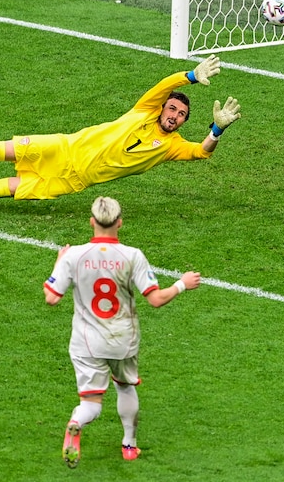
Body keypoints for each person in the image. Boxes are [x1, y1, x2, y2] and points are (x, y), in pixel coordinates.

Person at [0, 54, 241, 206]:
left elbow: (200, 153)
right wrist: (191, 76)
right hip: (62, 148)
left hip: (72, 180)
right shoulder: (144, 110)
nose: (175, 115)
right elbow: (163, 85)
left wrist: (217, 129)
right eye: (173, 109)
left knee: (0, 190)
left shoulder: (171, 146)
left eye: (181, 115)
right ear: (163, 107)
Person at [43, 196, 201, 468]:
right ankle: (129, 445)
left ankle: (76, 421)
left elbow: (51, 297)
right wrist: (182, 284)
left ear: (92, 221)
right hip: (122, 340)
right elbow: (156, 299)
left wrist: (59, 263)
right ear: (120, 223)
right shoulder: (132, 256)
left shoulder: (73, 255)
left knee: (91, 402)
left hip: (85, 342)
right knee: (125, 387)